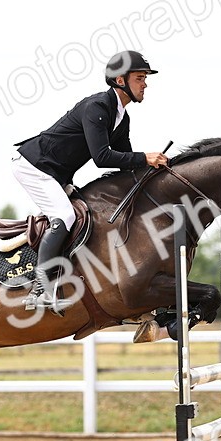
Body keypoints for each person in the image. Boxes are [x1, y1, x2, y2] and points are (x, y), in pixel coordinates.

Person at [12, 50, 169, 313]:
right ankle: (39, 290)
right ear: (121, 81)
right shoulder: (97, 107)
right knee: (64, 215)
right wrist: (145, 158)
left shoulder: (121, 118)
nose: (145, 84)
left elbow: (124, 162)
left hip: (56, 173)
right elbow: (102, 157)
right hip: (34, 167)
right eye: (140, 78)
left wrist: (154, 173)